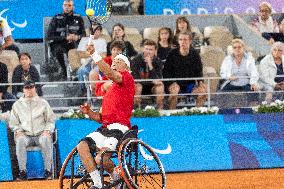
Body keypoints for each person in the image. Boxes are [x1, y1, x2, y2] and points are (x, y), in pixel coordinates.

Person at [77, 47, 135, 189]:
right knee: (82, 146)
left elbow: (109, 72)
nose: (114, 63)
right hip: (105, 128)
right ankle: (97, 183)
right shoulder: (110, 92)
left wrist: (94, 54)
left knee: (100, 158)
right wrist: (89, 112)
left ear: (126, 67)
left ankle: (118, 178)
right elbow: (101, 118)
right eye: (113, 61)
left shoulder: (127, 77)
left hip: (120, 127)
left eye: (119, 61)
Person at [9, 80, 56, 180]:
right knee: (20, 141)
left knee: (46, 139)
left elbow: (51, 120)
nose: (29, 90)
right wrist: (18, 130)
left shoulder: (43, 103)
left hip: (41, 134)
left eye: (31, 87)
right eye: (27, 88)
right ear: (23, 90)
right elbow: (13, 123)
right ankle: (23, 172)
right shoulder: (17, 105)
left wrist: (47, 130)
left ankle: (48, 171)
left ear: (35, 88)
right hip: (26, 135)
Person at [163, 31, 207, 109]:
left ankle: (196, 114)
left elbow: (199, 72)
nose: (183, 42)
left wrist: (201, 83)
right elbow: (166, 72)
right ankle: (171, 115)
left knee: (203, 93)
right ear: (178, 41)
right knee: (174, 93)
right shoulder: (172, 53)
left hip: (189, 84)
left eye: (185, 40)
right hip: (174, 83)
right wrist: (171, 83)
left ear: (190, 41)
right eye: (181, 39)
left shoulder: (195, 54)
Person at [47, 0, 85, 80]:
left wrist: (77, 37)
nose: (67, 7)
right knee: (58, 51)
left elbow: (84, 34)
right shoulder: (56, 18)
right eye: (65, 5)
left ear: (73, 7)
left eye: (69, 5)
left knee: (75, 50)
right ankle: (64, 71)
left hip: (74, 43)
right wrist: (65, 38)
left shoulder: (78, 17)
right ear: (62, 6)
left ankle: (76, 74)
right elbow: (49, 36)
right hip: (59, 43)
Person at [220, 39, 259, 103]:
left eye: (239, 47)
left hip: (246, 84)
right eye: (234, 47)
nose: (237, 49)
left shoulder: (249, 58)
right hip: (232, 83)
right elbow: (222, 73)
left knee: (254, 92)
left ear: (243, 48)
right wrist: (229, 76)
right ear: (232, 49)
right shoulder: (227, 59)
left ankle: (252, 110)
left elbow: (254, 72)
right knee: (221, 93)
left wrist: (253, 83)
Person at [131, 39, 164, 110]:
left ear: (155, 51)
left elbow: (158, 78)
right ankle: (137, 110)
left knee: (160, 87)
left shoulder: (158, 61)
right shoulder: (135, 60)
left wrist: (150, 65)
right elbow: (135, 78)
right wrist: (151, 81)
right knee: (137, 86)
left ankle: (159, 111)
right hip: (140, 85)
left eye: (151, 49)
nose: (148, 51)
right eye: (146, 49)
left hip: (152, 87)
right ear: (143, 49)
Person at [76, 23, 107, 95]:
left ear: (100, 31)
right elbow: (80, 54)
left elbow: (104, 55)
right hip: (86, 62)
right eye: (93, 30)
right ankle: (83, 91)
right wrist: (94, 55)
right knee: (81, 71)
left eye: (97, 30)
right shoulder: (84, 40)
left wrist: (90, 54)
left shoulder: (102, 41)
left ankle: (97, 92)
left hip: (98, 63)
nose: (95, 32)